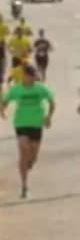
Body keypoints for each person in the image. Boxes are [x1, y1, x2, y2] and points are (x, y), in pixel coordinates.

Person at [1, 61, 55, 199]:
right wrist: (3, 110)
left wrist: (48, 117)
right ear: (24, 76)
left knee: (33, 156)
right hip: (21, 123)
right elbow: (5, 101)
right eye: (29, 76)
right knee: (24, 150)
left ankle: (29, 163)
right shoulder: (17, 89)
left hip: (37, 124)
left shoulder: (40, 88)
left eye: (33, 76)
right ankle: (24, 186)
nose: (31, 78)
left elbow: (52, 102)